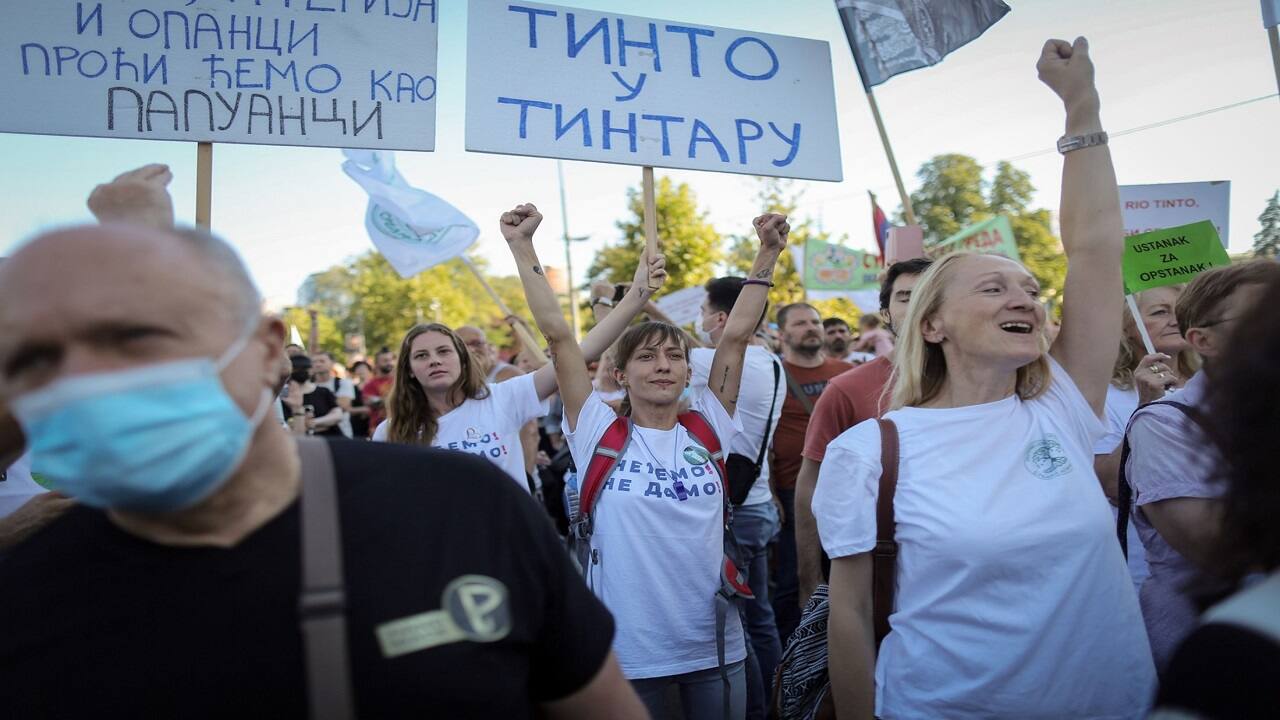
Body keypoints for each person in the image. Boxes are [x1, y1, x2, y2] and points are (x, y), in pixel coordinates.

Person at [0, 219, 644, 718]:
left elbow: (566, 346)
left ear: (268, 348)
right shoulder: (24, 594)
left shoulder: (469, 505)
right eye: (33, 360)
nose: (89, 383)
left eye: (137, 339)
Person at [817, 38, 1155, 719]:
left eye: (1030, 289)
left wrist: (1080, 105)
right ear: (933, 326)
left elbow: (1094, 247)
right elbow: (849, 616)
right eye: (994, 288)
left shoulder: (1059, 406)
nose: (1025, 300)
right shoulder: (870, 455)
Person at [510, 199, 787, 719]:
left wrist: (767, 255)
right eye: (646, 356)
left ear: (689, 372)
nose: (663, 366)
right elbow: (559, 337)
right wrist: (522, 246)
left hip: (715, 647)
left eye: (674, 356)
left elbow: (737, 336)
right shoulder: (596, 430)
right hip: (629, 654)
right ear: (619, 373)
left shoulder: (710, 425)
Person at [372, 260, 655, 492]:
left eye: (443, 351)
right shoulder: (391, 432)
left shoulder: (503, 398)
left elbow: (580, 353)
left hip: (510, 549)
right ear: (409, 369)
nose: (434, 360)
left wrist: (638, 294)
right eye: (422, 356)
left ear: (461, 358)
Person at [1122, 260, 1280, 673]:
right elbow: (1219, 550)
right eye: (1265, 314)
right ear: (1203, 340)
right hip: (1223, 655)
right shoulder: (1165, 422)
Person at [794, 258, 932, 605]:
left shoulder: (986, 383)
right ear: (885, 313)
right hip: (878, 579)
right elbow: (810, 483)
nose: (916, 304)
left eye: (928, 293)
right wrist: (810, 579)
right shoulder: (846, 388)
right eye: (904, 297)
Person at [694, 276, 787, 718]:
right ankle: (780, 697)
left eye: (703, 311)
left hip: (735, 514)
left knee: (736, 627)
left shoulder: (707, 362)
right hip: (762, 503)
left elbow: (635, 349)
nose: (698, 321)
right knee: (762, 618)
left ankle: (755, 709)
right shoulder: (772, 363)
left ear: (720, 318)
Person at [1093, 285, 1200, 593]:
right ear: (1127, 326)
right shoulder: (1107, 396)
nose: (1175, 318)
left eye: (1180, 309)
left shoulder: (1213, 385)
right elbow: (1113, 486)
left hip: (1224, 562)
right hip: (1146, 570)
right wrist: (1147, 407)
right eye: (1159, 311)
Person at [770, 302, 854, 642]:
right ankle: (793, 661)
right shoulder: (772, 375)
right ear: (782, 334)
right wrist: (772, 492)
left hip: (847, 492)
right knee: (794, 581)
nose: (812, 327)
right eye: (801, 322)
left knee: (846, 574)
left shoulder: (848, 371)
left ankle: (842, 648)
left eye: (815, 321)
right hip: (794, 492)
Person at [281, 355, 346, 438]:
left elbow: (338, 415)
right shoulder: (284, 396)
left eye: (305, 369)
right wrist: (324, 423)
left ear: (311, 370)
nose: (301, 372)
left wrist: (314, 422)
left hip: (331, 440)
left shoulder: (323, 391)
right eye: (297, 369)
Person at [311, 351, 355, 438]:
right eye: (314, 362)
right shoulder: (308, 385)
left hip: (342, 434)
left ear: (332, 363)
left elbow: (343, 406)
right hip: (315, 436)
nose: (318, 364)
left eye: (322, 361)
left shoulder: (343, 383)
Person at [361, 347, 396, 431]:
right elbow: (370, 403)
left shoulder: (401, 381)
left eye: (391, 360)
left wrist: (381, 400)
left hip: (401, 425)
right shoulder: (370, 384)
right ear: (376, 364)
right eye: (385, 361)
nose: (389, 363)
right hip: (378, 428)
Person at [348, 359, 374, 439]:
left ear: (369, 370)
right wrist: (364, 409)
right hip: (357, 425)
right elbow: (347, 408)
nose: (361, 371)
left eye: (363, 368)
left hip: (373, 422)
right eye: (358, 368)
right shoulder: (352, 388)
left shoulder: (375, 386)